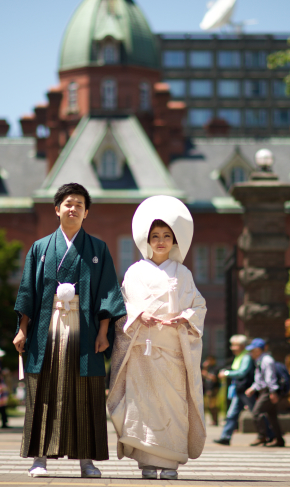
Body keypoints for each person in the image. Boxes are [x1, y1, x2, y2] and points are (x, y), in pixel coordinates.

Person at [13, 183, 126, 479]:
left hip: (85, 329)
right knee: (43, 391)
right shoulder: (40, 248)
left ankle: (87, 460)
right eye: (68, 203)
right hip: (45, 327)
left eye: (79, 204)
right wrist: (22, 330)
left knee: (86, 393)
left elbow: (106, 292)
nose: (73, 208)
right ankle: (39, 458)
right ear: (57, 209)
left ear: (86, 212)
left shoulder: (98, 249)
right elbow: (28, 291)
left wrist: (103, 332)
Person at [108, 195, 207, 480]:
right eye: (155, 236)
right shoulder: (135, 272)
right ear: (146, 240)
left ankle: (171, 462)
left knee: (173, 405)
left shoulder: (184, 273)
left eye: (166, 235)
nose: (161, 241)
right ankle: (147, 462)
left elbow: (199, 306)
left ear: (175, 240)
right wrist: (139, 316)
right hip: (143, 354)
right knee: (144, 406)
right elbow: (123, 304)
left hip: (172, 352)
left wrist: (184, 318)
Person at [213, 334, 255, 446]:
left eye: (235, 345)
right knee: (231, 414)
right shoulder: (240, 356)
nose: (232, 348)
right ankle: (225, 437)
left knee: (256, 412)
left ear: (242, 346)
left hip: (246, 390)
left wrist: (226, 373)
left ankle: (270, 435)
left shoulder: (246, 357)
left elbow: (242, 372)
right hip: (239, 389)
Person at [244, 338, 287, 448]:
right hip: (267, 390)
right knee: (272, 416)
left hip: (268, 391)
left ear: (258, 350)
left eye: (252, 350)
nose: (251, 353)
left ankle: (262, 435)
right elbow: (260, 379)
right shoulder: (260, 360)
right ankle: (279, 439)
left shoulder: (266, 360)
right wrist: (253, 388)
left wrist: (273, 392)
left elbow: (270, 377)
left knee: (256, 413)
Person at [201, 355, 220, 426]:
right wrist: (205, 368)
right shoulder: (207, 368)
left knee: (212, 406)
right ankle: (211, 420)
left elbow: (214, 378)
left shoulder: (216, 368)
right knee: (206, 406)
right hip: (206, 389)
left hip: (213, 389)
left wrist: (206, 374)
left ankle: (215, 420)